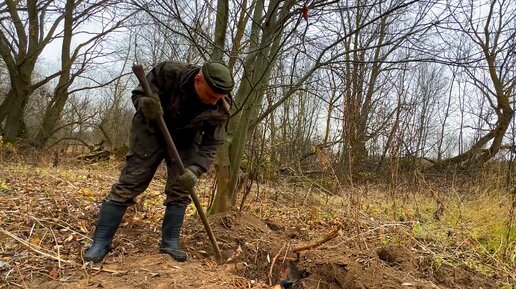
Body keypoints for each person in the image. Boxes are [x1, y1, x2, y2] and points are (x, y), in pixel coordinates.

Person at [84, 61, 234, 263]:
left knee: (181, 189)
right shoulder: (170, 73)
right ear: (198, 79)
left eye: (217, 98)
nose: (212, 102)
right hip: (151, 130)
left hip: (186, 141)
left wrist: (196, 169)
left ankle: (170, 243)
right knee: (130, 183)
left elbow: (212, 144)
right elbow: (139, 94)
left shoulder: (221, 107)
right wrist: (146, 106)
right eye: (209, 96)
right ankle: (100, 242)